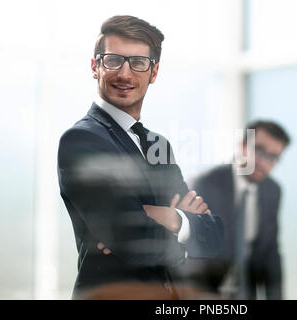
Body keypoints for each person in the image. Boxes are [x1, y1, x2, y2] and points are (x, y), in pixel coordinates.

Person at [57, 15, 224, 299]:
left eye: (138, 63)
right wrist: (186, 230)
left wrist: (170, 218)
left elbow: (216, 234)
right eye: (113, 60)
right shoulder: (81, 140)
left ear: (154, 72)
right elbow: (131, 240)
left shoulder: (159, 145)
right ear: (95, 66)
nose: (124, 74)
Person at [180, 120, 290, 300]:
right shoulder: (206, 183)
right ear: (243, 146)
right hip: (204, 292)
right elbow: (189, 251)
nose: (263, 162)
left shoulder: (272, 191)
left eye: (273, 157)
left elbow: (270, 253)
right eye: (259, 151)